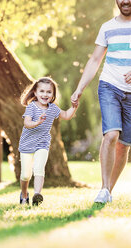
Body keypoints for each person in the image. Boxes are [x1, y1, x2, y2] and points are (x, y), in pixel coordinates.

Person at [71, 0, 131, 203]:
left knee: (123, 145)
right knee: (111, 135)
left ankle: (108, 191)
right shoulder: (107, 28)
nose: (125, 1)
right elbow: (95, 60)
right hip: (109, 86)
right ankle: (103, 188)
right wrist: (80, 88)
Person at [19, 77, 78, 206]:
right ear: (35, 92)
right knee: (25, 175)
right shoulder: (31, 107)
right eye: (42, 91)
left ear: (53, 95)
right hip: (27, 144)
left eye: (49, 92)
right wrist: (37, 122)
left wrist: (74, 107)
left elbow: (67, 115)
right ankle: (24, 195)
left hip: (42, 144)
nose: (45, 94)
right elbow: (27, 123)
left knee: (39, 169)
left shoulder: (53, 109)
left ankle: (37, 195)